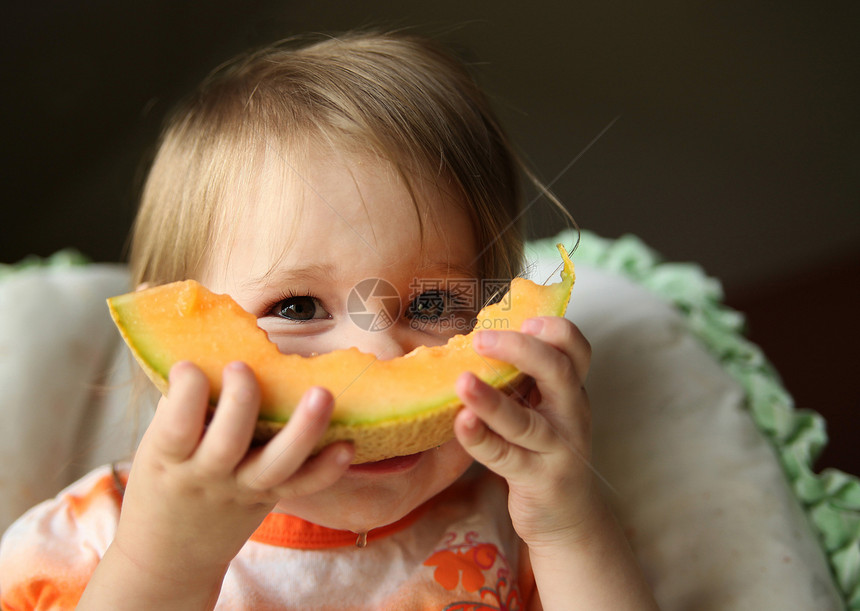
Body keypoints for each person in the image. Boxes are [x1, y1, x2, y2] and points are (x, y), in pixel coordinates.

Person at [0, 31, 657, 610]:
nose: (374, 355)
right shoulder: (87, 538)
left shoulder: (517, 530)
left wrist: (567, 522)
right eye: (296, 306)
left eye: (431, 305)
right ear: (170, 354)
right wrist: (166, 562)